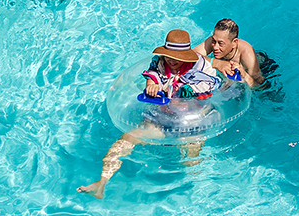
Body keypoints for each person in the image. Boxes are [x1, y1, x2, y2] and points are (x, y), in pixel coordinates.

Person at [77, 29, 218, 198]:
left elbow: (211, 84)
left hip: (190, 123)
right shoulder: (159, 63)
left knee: (190, 155)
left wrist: (188, 90)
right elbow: (152, 75)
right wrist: (151, 83)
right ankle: (101, 183)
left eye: (176, 57)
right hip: (162, 120)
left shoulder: (201, 67)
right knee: (125, 141)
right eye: (168, 55)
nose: (171, 60)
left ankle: (196, 193)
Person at [194, 18, 264, 87]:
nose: (215, 47)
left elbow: (260, 85)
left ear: (234, 43)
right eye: (213, 41)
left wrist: (244, 75)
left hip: (263, 66)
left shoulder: (247, 54)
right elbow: (190, 56)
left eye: (221, 43)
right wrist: (216, 63)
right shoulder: (216, 40)